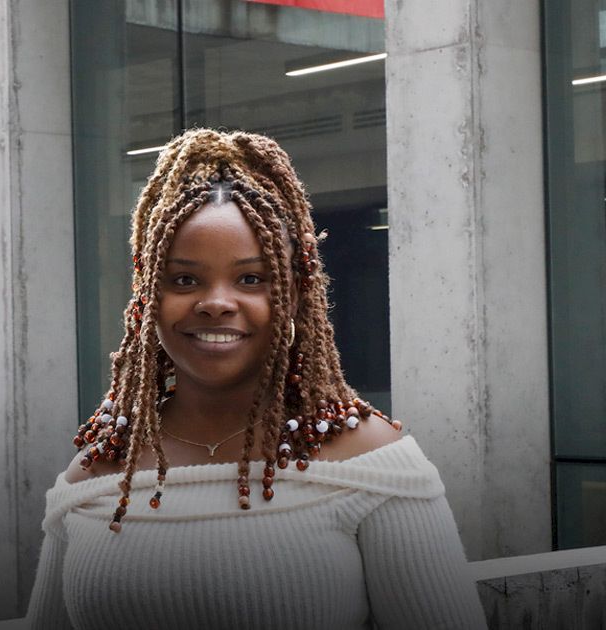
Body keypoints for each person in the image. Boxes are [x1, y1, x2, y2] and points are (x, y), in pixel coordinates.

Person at [24, 129, 487, 629]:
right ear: (146, 299)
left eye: (251, 278)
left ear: (291, 293)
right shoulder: (94, 471)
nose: (216, 302)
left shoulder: (376, 465)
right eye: (184, 279)